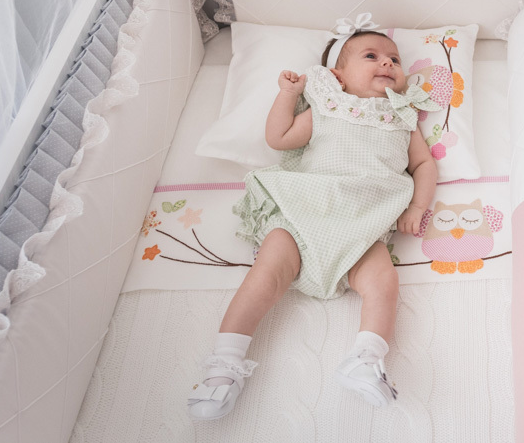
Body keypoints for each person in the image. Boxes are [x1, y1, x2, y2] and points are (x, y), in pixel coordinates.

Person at [187, 27, 439, 419]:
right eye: (371, 56)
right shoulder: (325, 107)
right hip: (303, 214)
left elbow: (423, 164)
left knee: (383, 280)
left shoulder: (402, 117)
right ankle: (224, 365)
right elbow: (280, 138)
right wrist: (288, 96)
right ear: (338, 75)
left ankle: (367, 357)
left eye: (394, 59)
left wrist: (417, 208)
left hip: (361, 226)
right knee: (266, 275)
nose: (387, 62)